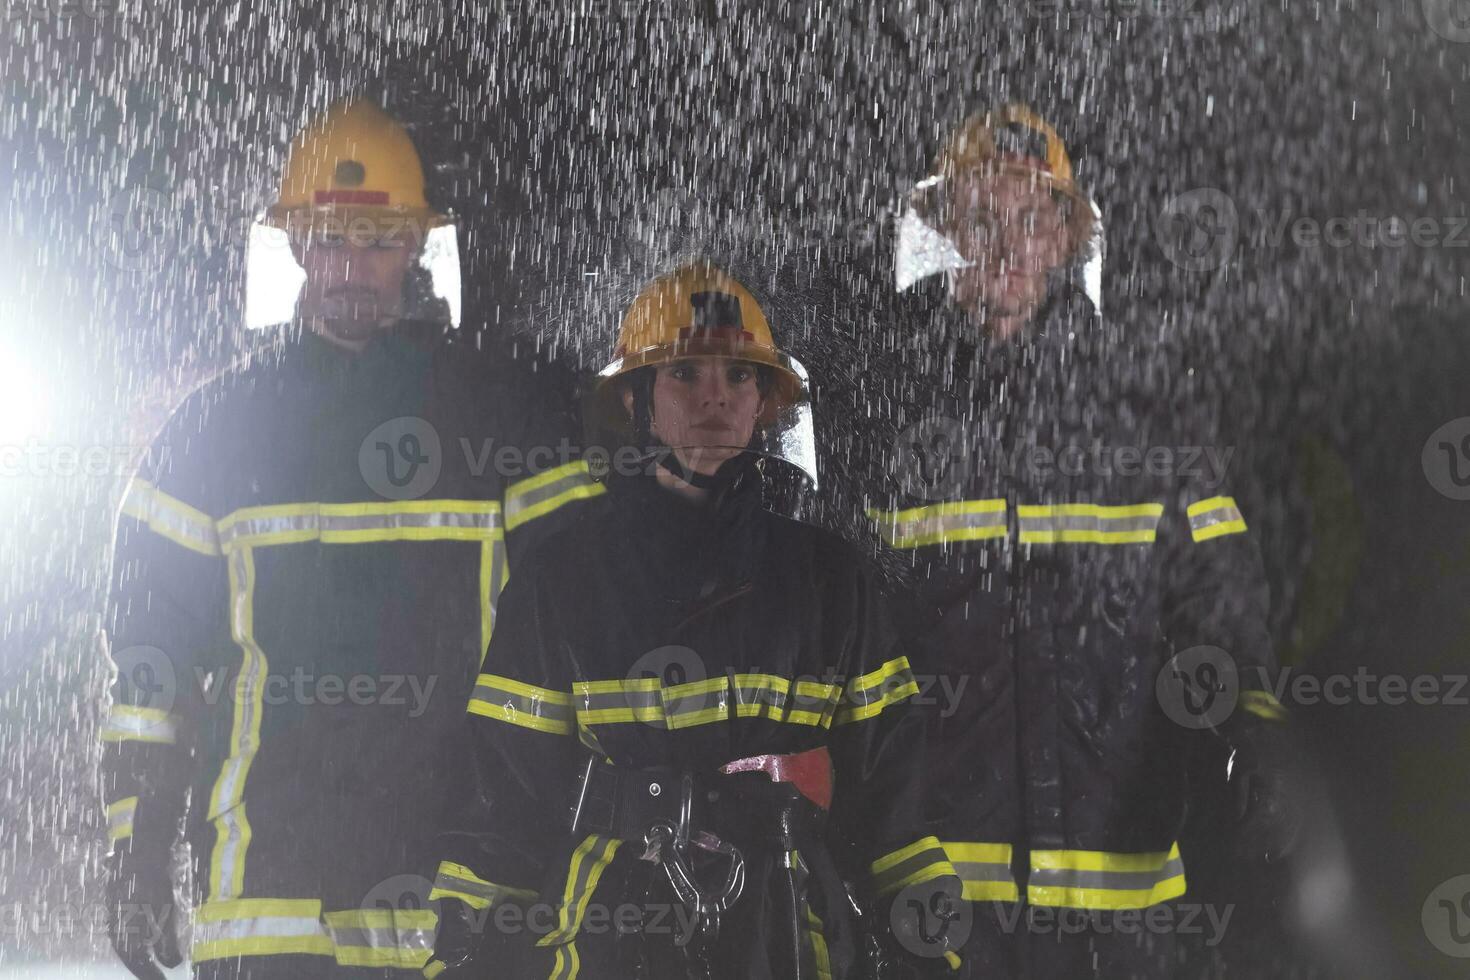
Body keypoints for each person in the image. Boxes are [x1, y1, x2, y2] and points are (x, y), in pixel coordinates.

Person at [100, 98, 599, 979]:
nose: (353, 268)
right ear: (295, 244)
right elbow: (149, 661)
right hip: (273, 888)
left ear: (415, 245)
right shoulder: (214, 428)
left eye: (378, 240)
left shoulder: (509, 416)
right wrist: (135, 843)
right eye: (331, 238)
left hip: (465, 881)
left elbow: (584, 632)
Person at [840, 104, 1298, 978]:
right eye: (981, 219)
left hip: (1120, 894)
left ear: (1063, 238)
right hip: (941, 899)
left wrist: (1256, 732)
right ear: (946, 235)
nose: (1006, 245)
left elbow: (1217, 600)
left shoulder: (1144, 403)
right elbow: (848, 640)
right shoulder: (888, 410)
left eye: (1030, 219)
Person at [428, 260, 960, 980]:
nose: (716, 398)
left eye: (739, 377)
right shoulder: (563, 580)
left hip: (794, 941)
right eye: (684, 374)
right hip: (611, 946)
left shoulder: (830, 578)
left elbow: (889, 804)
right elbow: (507, 805)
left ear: (766, 402)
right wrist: (464, 953)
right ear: (636, 401)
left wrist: (923, 946)